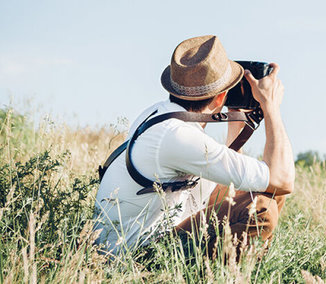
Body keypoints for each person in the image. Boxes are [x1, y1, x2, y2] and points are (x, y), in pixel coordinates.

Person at [93, 35, 295, 256]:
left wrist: (239, 122)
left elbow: (222, 182)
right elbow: (283, 180)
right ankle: (224, 275)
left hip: (133, 240)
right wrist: (270, 106)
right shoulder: (178, 136)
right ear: (220, 99)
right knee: (263, 208)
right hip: (136, 255)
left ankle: (238, 267)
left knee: (264, 190)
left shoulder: (160, 116)